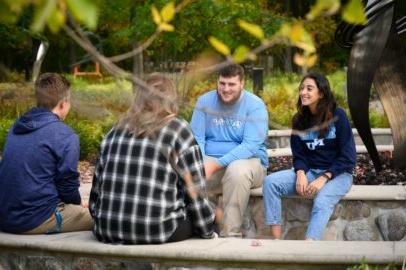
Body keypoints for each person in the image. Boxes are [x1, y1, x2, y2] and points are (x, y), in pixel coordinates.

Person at [89, 73, 216, 244]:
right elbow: (195, 194)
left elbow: (95, 194)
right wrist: (209, 230)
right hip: (155, 230)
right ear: (170, 98)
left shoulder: (114, 130)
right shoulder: (178, 129)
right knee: (205, 217)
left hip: (106, 229)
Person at [263, 72, 356, 240]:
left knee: (321, 201)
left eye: (309, 88)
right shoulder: (299, 120)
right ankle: (276, 241)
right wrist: (300, 173)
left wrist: (324, 178)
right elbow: (299, 155)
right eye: (301, 88)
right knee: (270, 182)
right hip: (310, 171)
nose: (303, 92)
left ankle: (309, 245)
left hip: (339, 175)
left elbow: (348, 157)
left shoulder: (338, 116)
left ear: (321, 93)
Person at [0, 73, 92, 234]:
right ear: (63, 104)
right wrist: (76, 206)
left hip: (5, 216)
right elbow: (67, 186)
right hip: (33, 219)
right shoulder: (65, 135)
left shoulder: (17, 126)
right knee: (100, 218)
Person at [190, 64, 269, 237]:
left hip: (250, 164)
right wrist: (202, 162)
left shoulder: (255, 106)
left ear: (242, 83)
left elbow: (250, 146)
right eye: (222, 83)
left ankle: (230, 236)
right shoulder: (204, 102)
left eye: (231, 84)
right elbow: (197, 138)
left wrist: (216, 164)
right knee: (189, 172)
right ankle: (199, 232)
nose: (226, 89)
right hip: (211, 163)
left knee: (237, 170)